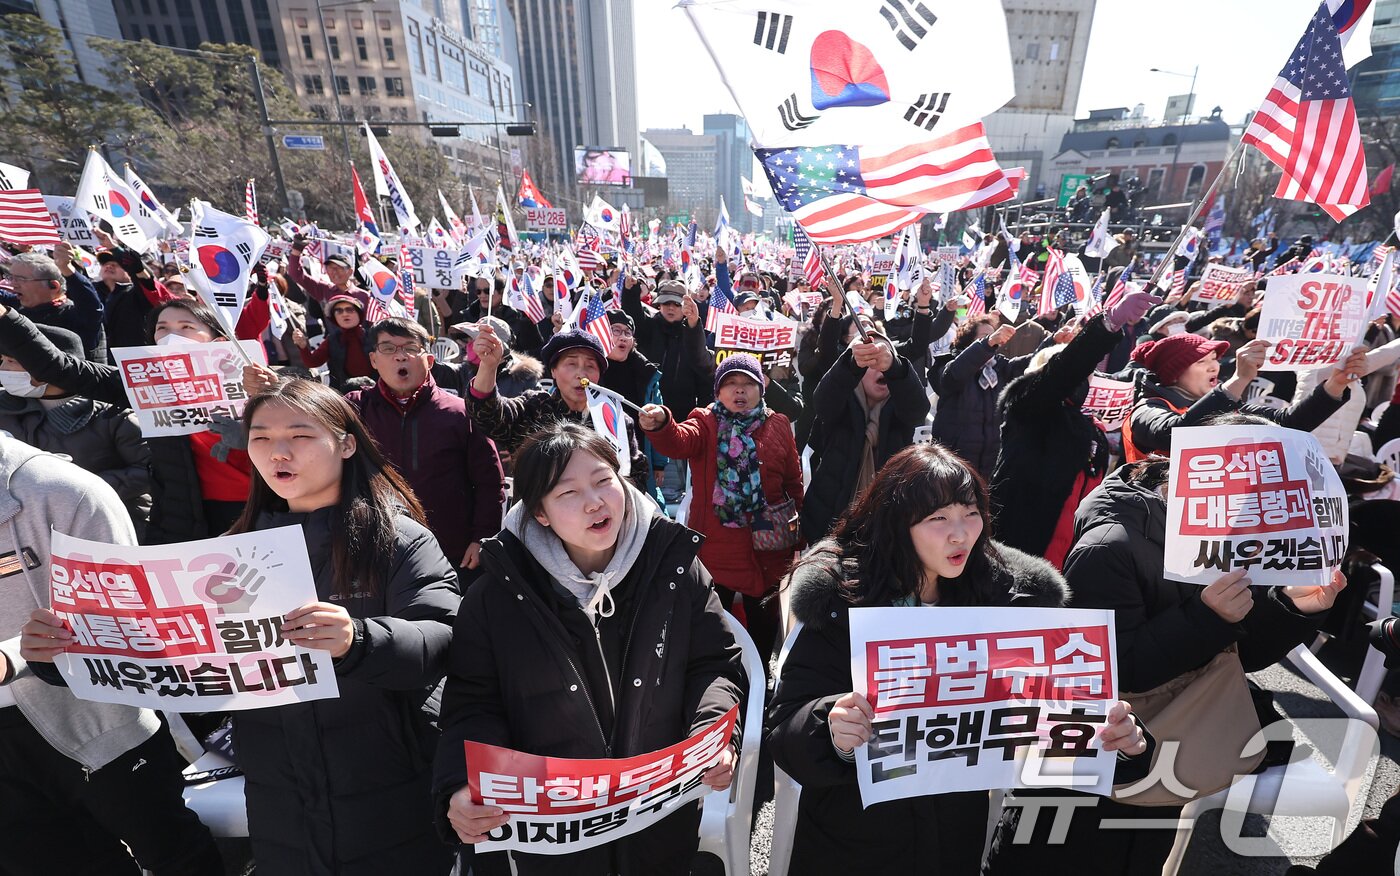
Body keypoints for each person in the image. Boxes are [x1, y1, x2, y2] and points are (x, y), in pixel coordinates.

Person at [990, 412, 1346, 874]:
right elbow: (1108, 671)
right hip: (1093, 764)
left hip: (1170, 755)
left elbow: (1238, 657)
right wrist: (1207, 617)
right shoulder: (1112, 544)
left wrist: (1295, 607)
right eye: (1259, 487)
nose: (1270, 507)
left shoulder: (1242, 539)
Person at [769, 443, 1149, 874]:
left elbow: (1063, 722)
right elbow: (785, 730)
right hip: (851, 842)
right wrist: (831, 727)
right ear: (896, 523)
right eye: (938, 518)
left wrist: (1122, 744)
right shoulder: (840, 599)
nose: (961, 533)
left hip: (955, 840)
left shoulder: (1010, 601)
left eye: (970, 513)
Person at [433, 423, 746, 875]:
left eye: (604, 481)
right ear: (538, 512)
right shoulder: (496, 596)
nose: (595, 502)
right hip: (559, 838)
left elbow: (714, 663)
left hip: (659, 820)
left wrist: (713, 733)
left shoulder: (675, 567)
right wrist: (461, 785)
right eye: (568, 493)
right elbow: (472, 704)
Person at [230, 378, 457, 873]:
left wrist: (360, 639)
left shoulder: (398, 539)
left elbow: (442, 637)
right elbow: (179, 662)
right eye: (261, 437)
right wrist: (75, 655)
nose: (278, 452)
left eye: (300, 435)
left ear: (347, 443)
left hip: (388, 789)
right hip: (279, 798)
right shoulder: (231, 549)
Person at [7, 442, 220, 876]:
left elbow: (126, 625)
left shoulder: (63, 491)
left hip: (101, 723)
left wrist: (13, 656)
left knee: (174, 854)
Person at [0, 297, 254, 542]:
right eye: (162, 329)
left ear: (218, 341)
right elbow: (59, 368)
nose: (171, 337)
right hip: (181, 522)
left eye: (186, 327)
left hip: (253, 515)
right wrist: (6, 317)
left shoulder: (259, 383)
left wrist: (260, 426)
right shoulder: (143, 387)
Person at [639, 353, 803, 663]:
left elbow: (793, 483)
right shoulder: (705, 421)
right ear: (718, 391)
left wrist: (797, 532)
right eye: (731, 384)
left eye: (747, 383)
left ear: (761, 389)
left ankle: (758, 691)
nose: (739, 391)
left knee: (763, 629)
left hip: (768, 548)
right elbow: (677, 441)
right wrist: (661, 422)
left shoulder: (778, 424)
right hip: (717, 549)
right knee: (715, 626)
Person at [989, 291, 1158, 567]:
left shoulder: (1089, 427)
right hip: (1021, 549)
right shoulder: (1027, 407)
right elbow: (1064, 371)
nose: (1088, 380)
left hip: (1070, 555)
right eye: (1083, 373)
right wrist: (1109, 324)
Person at [0, 323, 151, 535]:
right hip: (31, 531)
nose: (3, 369)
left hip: (104, 527)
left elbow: (148, 469)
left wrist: (80, 489)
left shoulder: (113, 415)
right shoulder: (5, 410)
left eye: (11, 362)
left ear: (46, 365)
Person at [1122, 333, 1359, 462]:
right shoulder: (1148, 408)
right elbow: (1173, 435)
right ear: (1173, 374)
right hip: (1153, 519)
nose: (1213, 366)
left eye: (1214, 359)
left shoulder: (1226, 406)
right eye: (1201, 361)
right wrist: (1238, 380)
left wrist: (1335, 385)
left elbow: (1290, 424)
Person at [467, 327, 649, 489]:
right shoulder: (534, 407)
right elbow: (488, 414)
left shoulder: (615, 420)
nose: (581, 374)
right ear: (553, 370)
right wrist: (489, 366)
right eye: (571, 364)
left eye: (590, 366)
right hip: (537, 520)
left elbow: (635, 475)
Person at [801, 322, 931, 544]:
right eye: (870, 362)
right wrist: (851, 364)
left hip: (886, 522)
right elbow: (822, 402)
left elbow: (918, 409)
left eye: (883, 359)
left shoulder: (900, 405)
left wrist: (897, 369)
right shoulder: (842, 399)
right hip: (831, 518)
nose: (879, 367)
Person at [931, 318, 1028, 478]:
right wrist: (987, 343)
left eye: (994, 335)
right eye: (984, 336)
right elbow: (954, 375)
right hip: (954, 464)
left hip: (990, 464)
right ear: (969, 340)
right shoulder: (949, 363)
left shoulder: (1000, 367)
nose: (993, 339)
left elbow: (1034, 364)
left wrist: (1053, 342)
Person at [4, 245, 106, 361]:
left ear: (53, 286)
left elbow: (90, 305)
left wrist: (67, 268)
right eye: (10, 277)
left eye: (20, 279)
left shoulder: (77, 316)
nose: (12, 284)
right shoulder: (16, 307)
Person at [293, 293, 376, 390]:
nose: (345, 314)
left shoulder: (374, 336)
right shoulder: (332, 340)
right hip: (345, 393)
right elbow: (312, 362)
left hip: (376, 389)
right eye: (339, 311)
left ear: (359, 314)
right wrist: (303, 347)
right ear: (334, 317)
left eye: (350, 310)